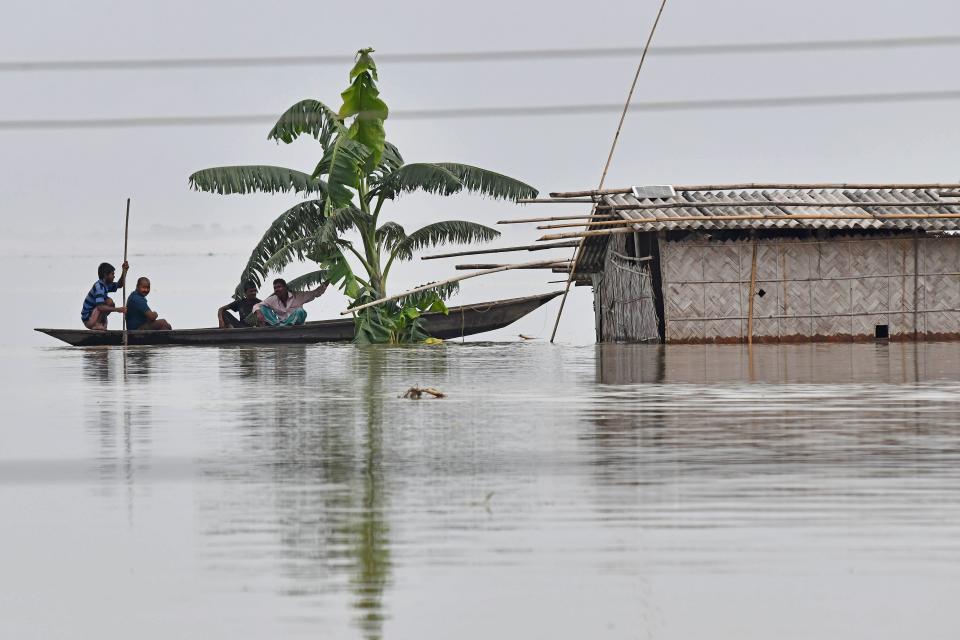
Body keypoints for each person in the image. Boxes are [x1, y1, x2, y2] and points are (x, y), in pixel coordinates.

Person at [253, 278, 327, 327]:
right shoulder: (272, 299)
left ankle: (288, 325)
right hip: (280, 325)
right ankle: (279, 326)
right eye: (275, 288)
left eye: (279, 287)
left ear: (285, 288)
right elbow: (257, 305)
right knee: (261, 308)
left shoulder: (298, 296)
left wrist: (327, 282)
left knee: (300, 311)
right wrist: (258, 311)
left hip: (297, 324)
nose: (277, 289)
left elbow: (316, 293)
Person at [81, 261, 129, 330]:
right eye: (112, 274)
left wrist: (124, 271)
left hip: (94, 315)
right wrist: (118, 309)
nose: (114, 276)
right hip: (88, 319)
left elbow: (120, 284)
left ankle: (100, 323)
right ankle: (97, 324)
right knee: (109, 301)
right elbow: (100, 307)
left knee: (109, 302)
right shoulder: (99, 287)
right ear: (105, 275)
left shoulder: (105, 285)